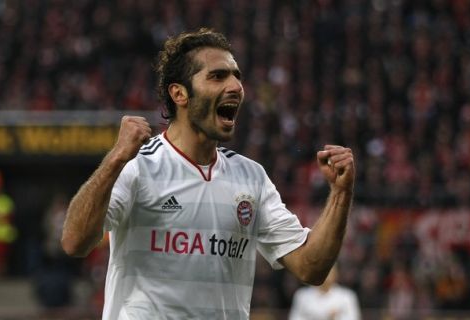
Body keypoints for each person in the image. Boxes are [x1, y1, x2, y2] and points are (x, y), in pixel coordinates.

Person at [61, 28, 355, 319]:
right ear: (179, 93)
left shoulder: (251, 177)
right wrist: (115, 159)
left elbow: (311, 267)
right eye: (218, 76)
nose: (236, 86)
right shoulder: (138, 166)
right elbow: (75, 241)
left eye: (237, 76)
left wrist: (341, 194)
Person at [289, 265, 361, 320]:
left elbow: (353, 317)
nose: (325, 275)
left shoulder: (347, 296)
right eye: (322, 271)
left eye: (329, 272)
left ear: (336, 274)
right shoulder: (302, 295)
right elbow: (295, 318)